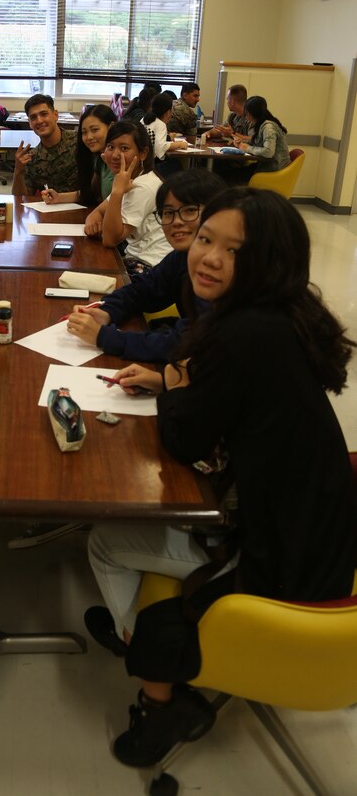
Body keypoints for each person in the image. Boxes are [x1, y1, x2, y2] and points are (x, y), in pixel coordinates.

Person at [86, 187, 357, 768]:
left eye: (234, 250)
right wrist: (176, 380)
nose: (208, 256)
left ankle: (162, 692)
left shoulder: (241, 332)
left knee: (107, 541)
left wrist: (179, 385)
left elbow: (184, 439)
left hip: (284, 561)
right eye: (206, 239)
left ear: (270, 263)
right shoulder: (283, 317)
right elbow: (233, 401)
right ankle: (143, 642)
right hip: (322, 528)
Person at [67, 170, 225, 361]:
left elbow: (187, 342)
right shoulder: (183, 256)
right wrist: (106, 311)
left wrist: (103, 337)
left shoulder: (221, 270)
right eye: (168, 213)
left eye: (189, 210)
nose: (176, 222)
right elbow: (143, 290)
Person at [83, 120, 172, 274]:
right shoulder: (129, 179)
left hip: (151, 267)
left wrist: (117, 192)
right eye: (111, 147)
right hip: (135, 258)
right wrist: (94, 225)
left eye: (124, 148)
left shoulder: (143, 186)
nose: (116, 155)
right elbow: (95, 214)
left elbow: (110, 240)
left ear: (143, 153)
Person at [41, 104, 117, 207]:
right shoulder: (100, 159)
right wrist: (58, 197)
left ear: (111, 127)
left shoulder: (122, 160)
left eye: (95, 130)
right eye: (84, 132)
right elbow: (90, 193)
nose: (89, 137)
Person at [11, 94, 78, 195]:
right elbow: (20, 199)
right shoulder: (32, 158)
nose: (39, 121)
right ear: (29, 123)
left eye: (44, 114)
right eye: (33, 117)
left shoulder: (78, 141)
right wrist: (18, 172)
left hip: (85, 208)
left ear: (55, 115)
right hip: (49, 209)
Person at [232, 95, 291, 176]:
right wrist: (242, 142)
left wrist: (247, 148)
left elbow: (268, 152)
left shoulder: (268, 127)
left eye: (247, 113)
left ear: (251, 113)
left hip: (273, 170)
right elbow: (258, 142)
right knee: (231, 172)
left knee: (230, 175)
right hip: (266, 166)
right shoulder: (262, 123)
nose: (246, 117)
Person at [141, 91, 189, 175]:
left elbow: (152, 138)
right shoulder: (160, 124)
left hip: (141, 162)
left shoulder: (144, 119)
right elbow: (160, 148)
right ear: (168, 111)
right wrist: (179, 144)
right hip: (151, 166)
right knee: (177, 163)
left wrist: (167, 137)